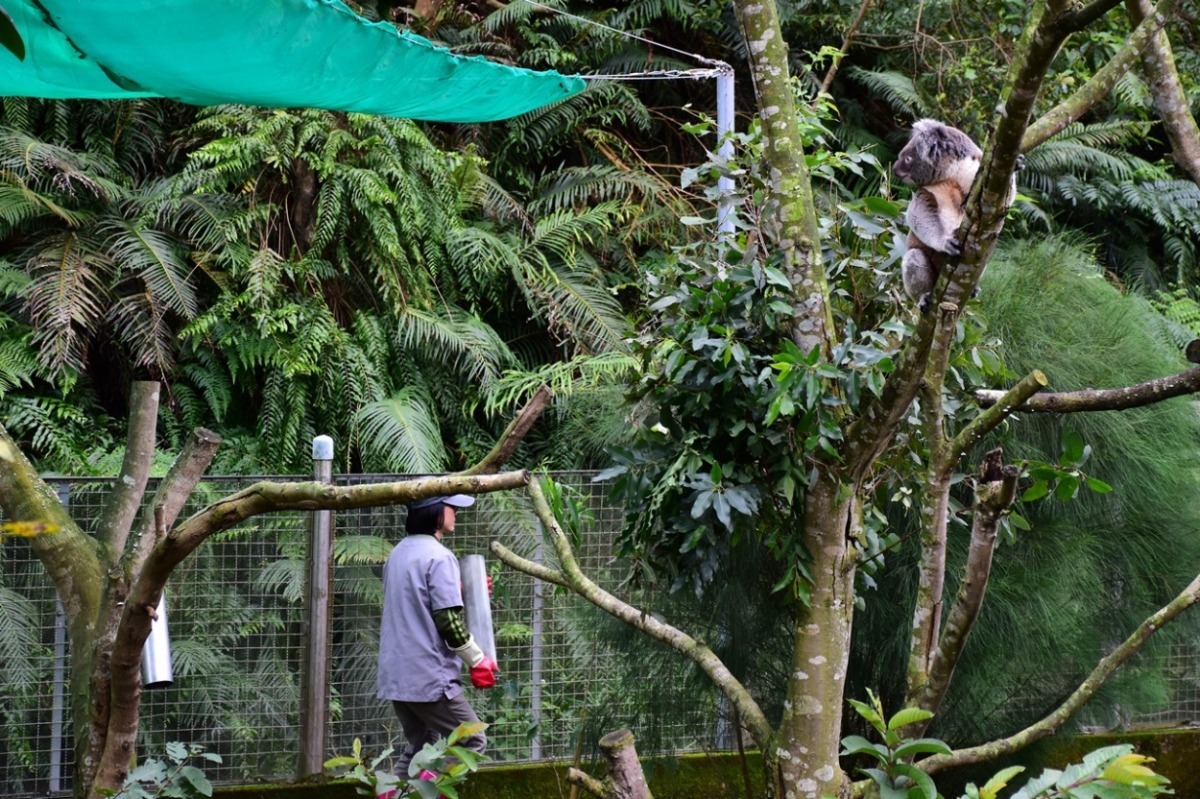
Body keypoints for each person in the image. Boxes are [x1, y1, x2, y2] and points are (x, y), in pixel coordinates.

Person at [377, 493, 500, 789]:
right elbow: (447, 621)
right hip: (428, 677)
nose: (456, 512)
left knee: (420, 747)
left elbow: (415, 600)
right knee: (471, 740)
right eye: (451, 507)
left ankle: (396, 794)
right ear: (434, 512)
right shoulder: (440, 556)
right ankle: (428, 794)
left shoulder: (398, 553)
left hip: (396, 674)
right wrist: (477, 659)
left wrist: (459, 589)